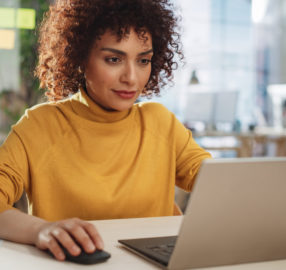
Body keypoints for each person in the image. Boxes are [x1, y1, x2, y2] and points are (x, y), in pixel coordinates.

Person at [0, 0, 211, 262]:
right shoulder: (40, 126)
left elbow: (219, 184)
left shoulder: (161, 123)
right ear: (79, 57)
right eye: (113, 59)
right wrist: (41, 230)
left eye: (143, 60)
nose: (131, 78)